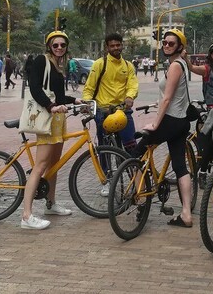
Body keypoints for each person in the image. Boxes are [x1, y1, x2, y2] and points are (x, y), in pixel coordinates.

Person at [131, 29, 194, 227]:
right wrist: (155, 106)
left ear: (180, 46)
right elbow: (172, 96)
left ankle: (141, 200)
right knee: (179, 166)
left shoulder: (176, 65)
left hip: (170, 121)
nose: (166, 45)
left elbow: (167, 98)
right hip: (182, 121)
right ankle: (186, 214)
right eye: (165, 42)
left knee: (135, 154)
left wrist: (155, 124)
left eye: (171, 43)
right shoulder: (181, 64)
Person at [21, 30, 82, 230]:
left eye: (62, 45)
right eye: (55, 45)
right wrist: (50, 106)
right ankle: (26, 215)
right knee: (41, 165)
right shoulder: (42, 61)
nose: (59, 48)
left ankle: (50, 204)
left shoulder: (59, 66)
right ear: (49, 46)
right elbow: (35, 88)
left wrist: (76, 101)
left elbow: (59, 96)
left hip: (57, 119)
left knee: (54, 164)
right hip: (46, 118)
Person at [82, 33, 139, 195]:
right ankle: (106, 180)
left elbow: (132, 84)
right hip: (104, 113)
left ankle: (135, 177)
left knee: (131, 146)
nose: (115, 48)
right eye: (112, 46)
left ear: (122, 45)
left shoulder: (128, 66)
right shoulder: (100, 64)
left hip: (123, 112)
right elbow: (89, 87)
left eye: (118, 45)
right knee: (105, 149)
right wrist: (87, 102)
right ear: (107, 47)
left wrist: (130, 96)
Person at [187, 42, 213, 186]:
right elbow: (192, 68)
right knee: (211, 145)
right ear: (210, 55)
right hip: (212, 111)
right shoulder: (207, 69)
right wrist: (185, 57)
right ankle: (203, 173)